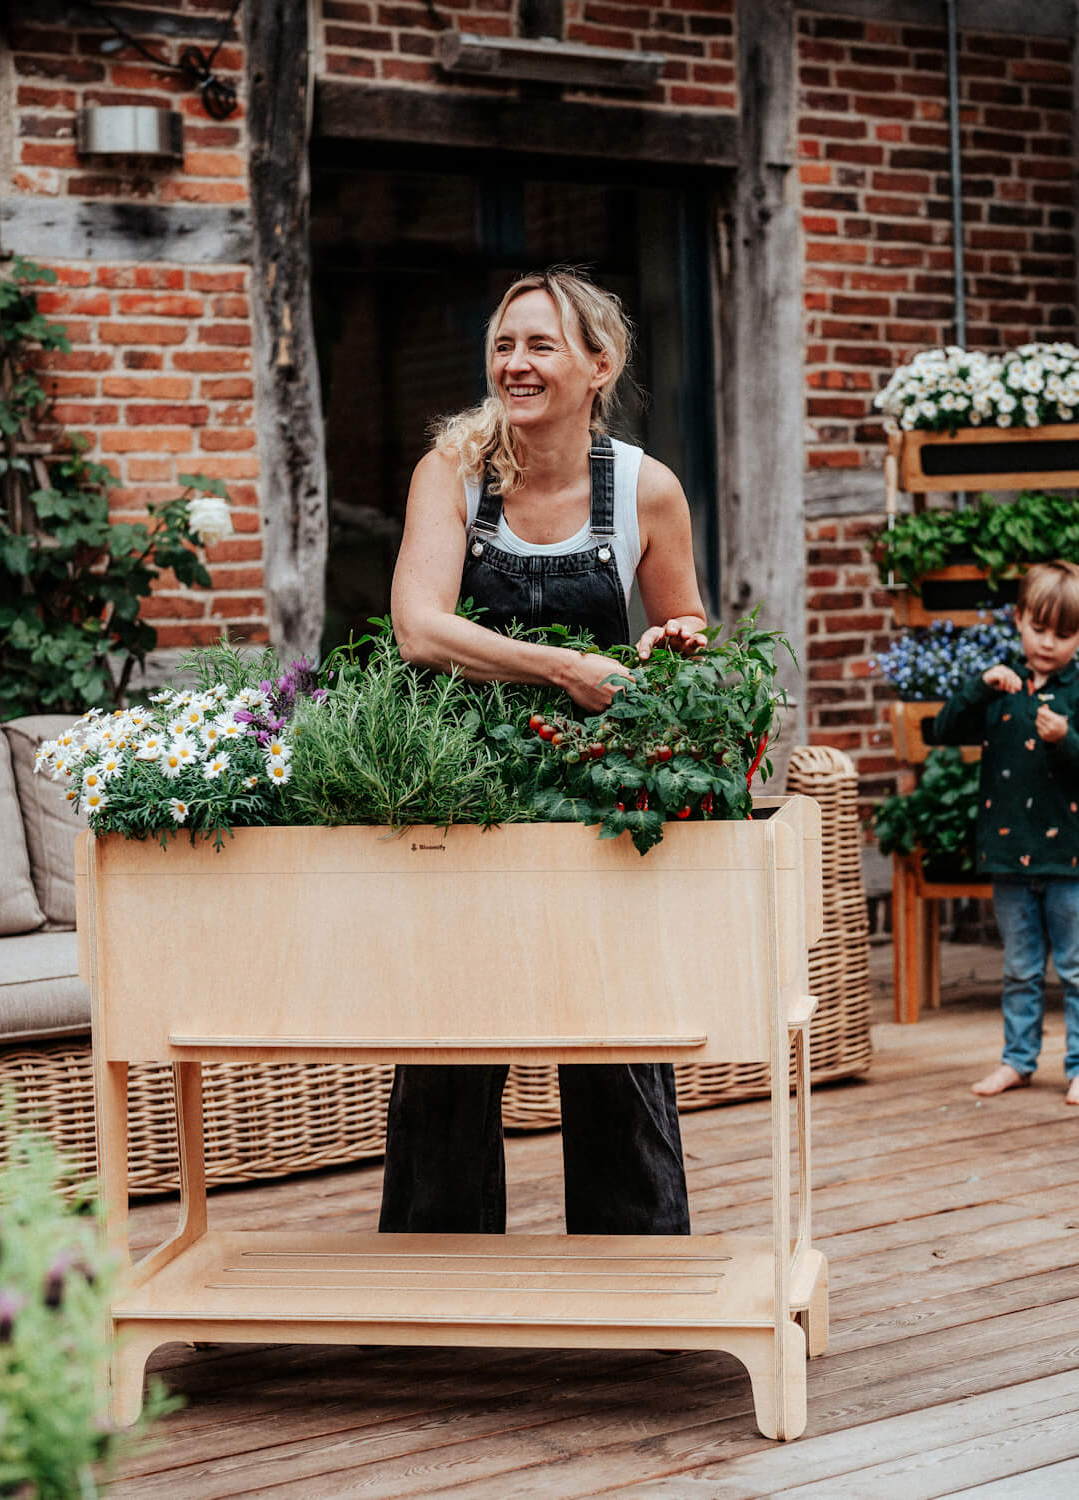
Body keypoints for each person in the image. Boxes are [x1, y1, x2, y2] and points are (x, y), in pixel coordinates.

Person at [380, 267, 711, 1234]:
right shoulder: (453, 473)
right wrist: (561, 668)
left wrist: (675, 642)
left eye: (539, 346)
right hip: (462, 790)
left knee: (614, 1028)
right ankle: (434, 1274)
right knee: (450, 1037)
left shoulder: (646, 492)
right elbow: (418, 629)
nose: (514, 365)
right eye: (503, 345)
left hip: (597, 798)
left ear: (598, 365)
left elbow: (684, 616)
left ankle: (638, 1270)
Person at [925, 561, 1079, 1107]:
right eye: (1038, 629)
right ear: (1018, 620)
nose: (1047, 643)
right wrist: (978, 687)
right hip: (1009, 854)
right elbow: (944, 729)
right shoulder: (999, 687)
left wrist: (1067, 740)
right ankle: (1017, 1060)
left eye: (1063, 634)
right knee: (1019, 970)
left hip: (1070, 860)